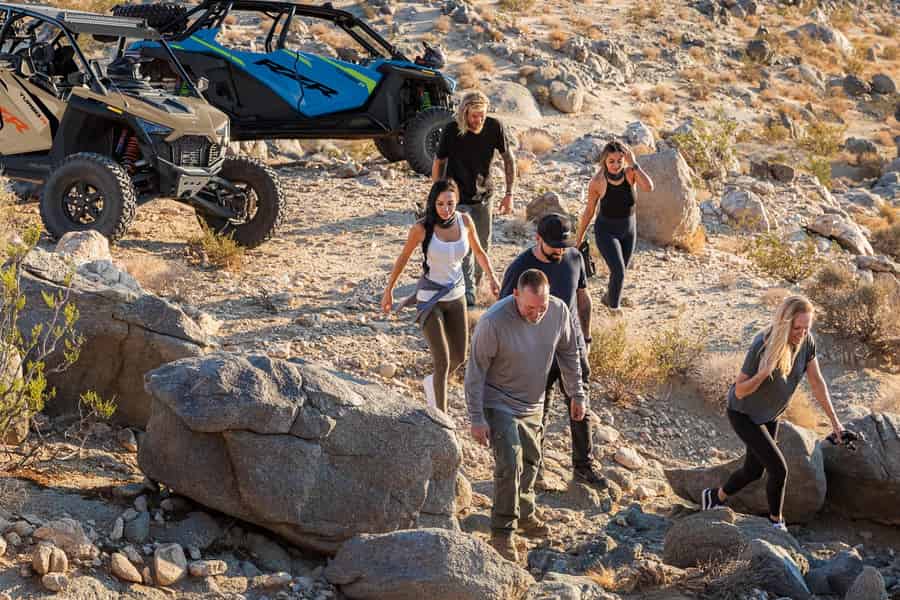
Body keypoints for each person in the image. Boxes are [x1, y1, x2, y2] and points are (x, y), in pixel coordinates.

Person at [466, 269, 586, 562]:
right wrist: (476, 418)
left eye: (541, 307)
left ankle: (525, 514)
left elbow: (569, 353)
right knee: (510, 462)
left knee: (531, 462)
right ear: (515, 295)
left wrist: (577, 393)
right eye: (530, 308)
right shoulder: (493, 322)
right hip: (498, 401)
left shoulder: (558, 311)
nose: (536, 314)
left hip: (533, 403)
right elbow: (475, 371)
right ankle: (502, 532)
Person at [701, 295, 846, 530]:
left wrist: (835, 423)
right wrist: (762, 374)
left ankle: (714, 496)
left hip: (769, 415)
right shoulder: (762, 345)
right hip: (743, 413)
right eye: (797, 328)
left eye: (806, 327)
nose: (802, 333)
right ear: (785, 323)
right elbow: (739, 391)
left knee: (753, 471)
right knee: (779, 469)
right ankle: (776, 523)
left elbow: (817, 382)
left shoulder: (807, 342)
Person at [499, 213, 605, 489]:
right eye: (554, 246)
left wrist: (586, 338)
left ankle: (584, 466)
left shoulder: (574, 257)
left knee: (580, 405)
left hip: (571, 346)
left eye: (564, 245)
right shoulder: (521, 268)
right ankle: (535, 469)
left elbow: (582, 297)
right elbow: (504, 311)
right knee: (538, 411)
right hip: (536, 352)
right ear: (538, 239)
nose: (560, 251)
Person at [381, 179, 501, 412]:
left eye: (450, 203)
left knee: (459, 357)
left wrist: (493, 278)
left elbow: (478, 252)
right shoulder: (422, 228)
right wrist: (389, 290)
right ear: (433, 203)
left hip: (456, 295)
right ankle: (441, 416)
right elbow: (403, 258)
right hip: (430, 298)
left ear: (457, 202)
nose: (446, 209)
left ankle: (432, 382)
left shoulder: (465, 221)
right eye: (440, 204)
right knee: (443, 361)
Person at [433, 90, 516, 307]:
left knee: (482, 245)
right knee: (463, 247)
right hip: (457, 198)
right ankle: (466, 293)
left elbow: (508, 159)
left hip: (484, 196)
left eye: (482, 115)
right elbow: (439, 162)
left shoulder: (494, 126)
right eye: (474, 116)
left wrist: (509, 194)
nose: (478, 120)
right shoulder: (452, 130)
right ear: (464, 113)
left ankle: (474, 286)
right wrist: (437, 194)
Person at [574, 140, 654, 312]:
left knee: (620, 271)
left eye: (619, 161)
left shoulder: (630, 173)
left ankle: (609, 297)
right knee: (618, 271)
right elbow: (589, 211)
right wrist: (578, 238)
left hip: (629, 230)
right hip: (606, 231)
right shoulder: (597, 182)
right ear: (604, 160)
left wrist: (634, 163)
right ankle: (614, 311)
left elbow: (649, 187)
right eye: (611, 161)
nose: (616, 165)